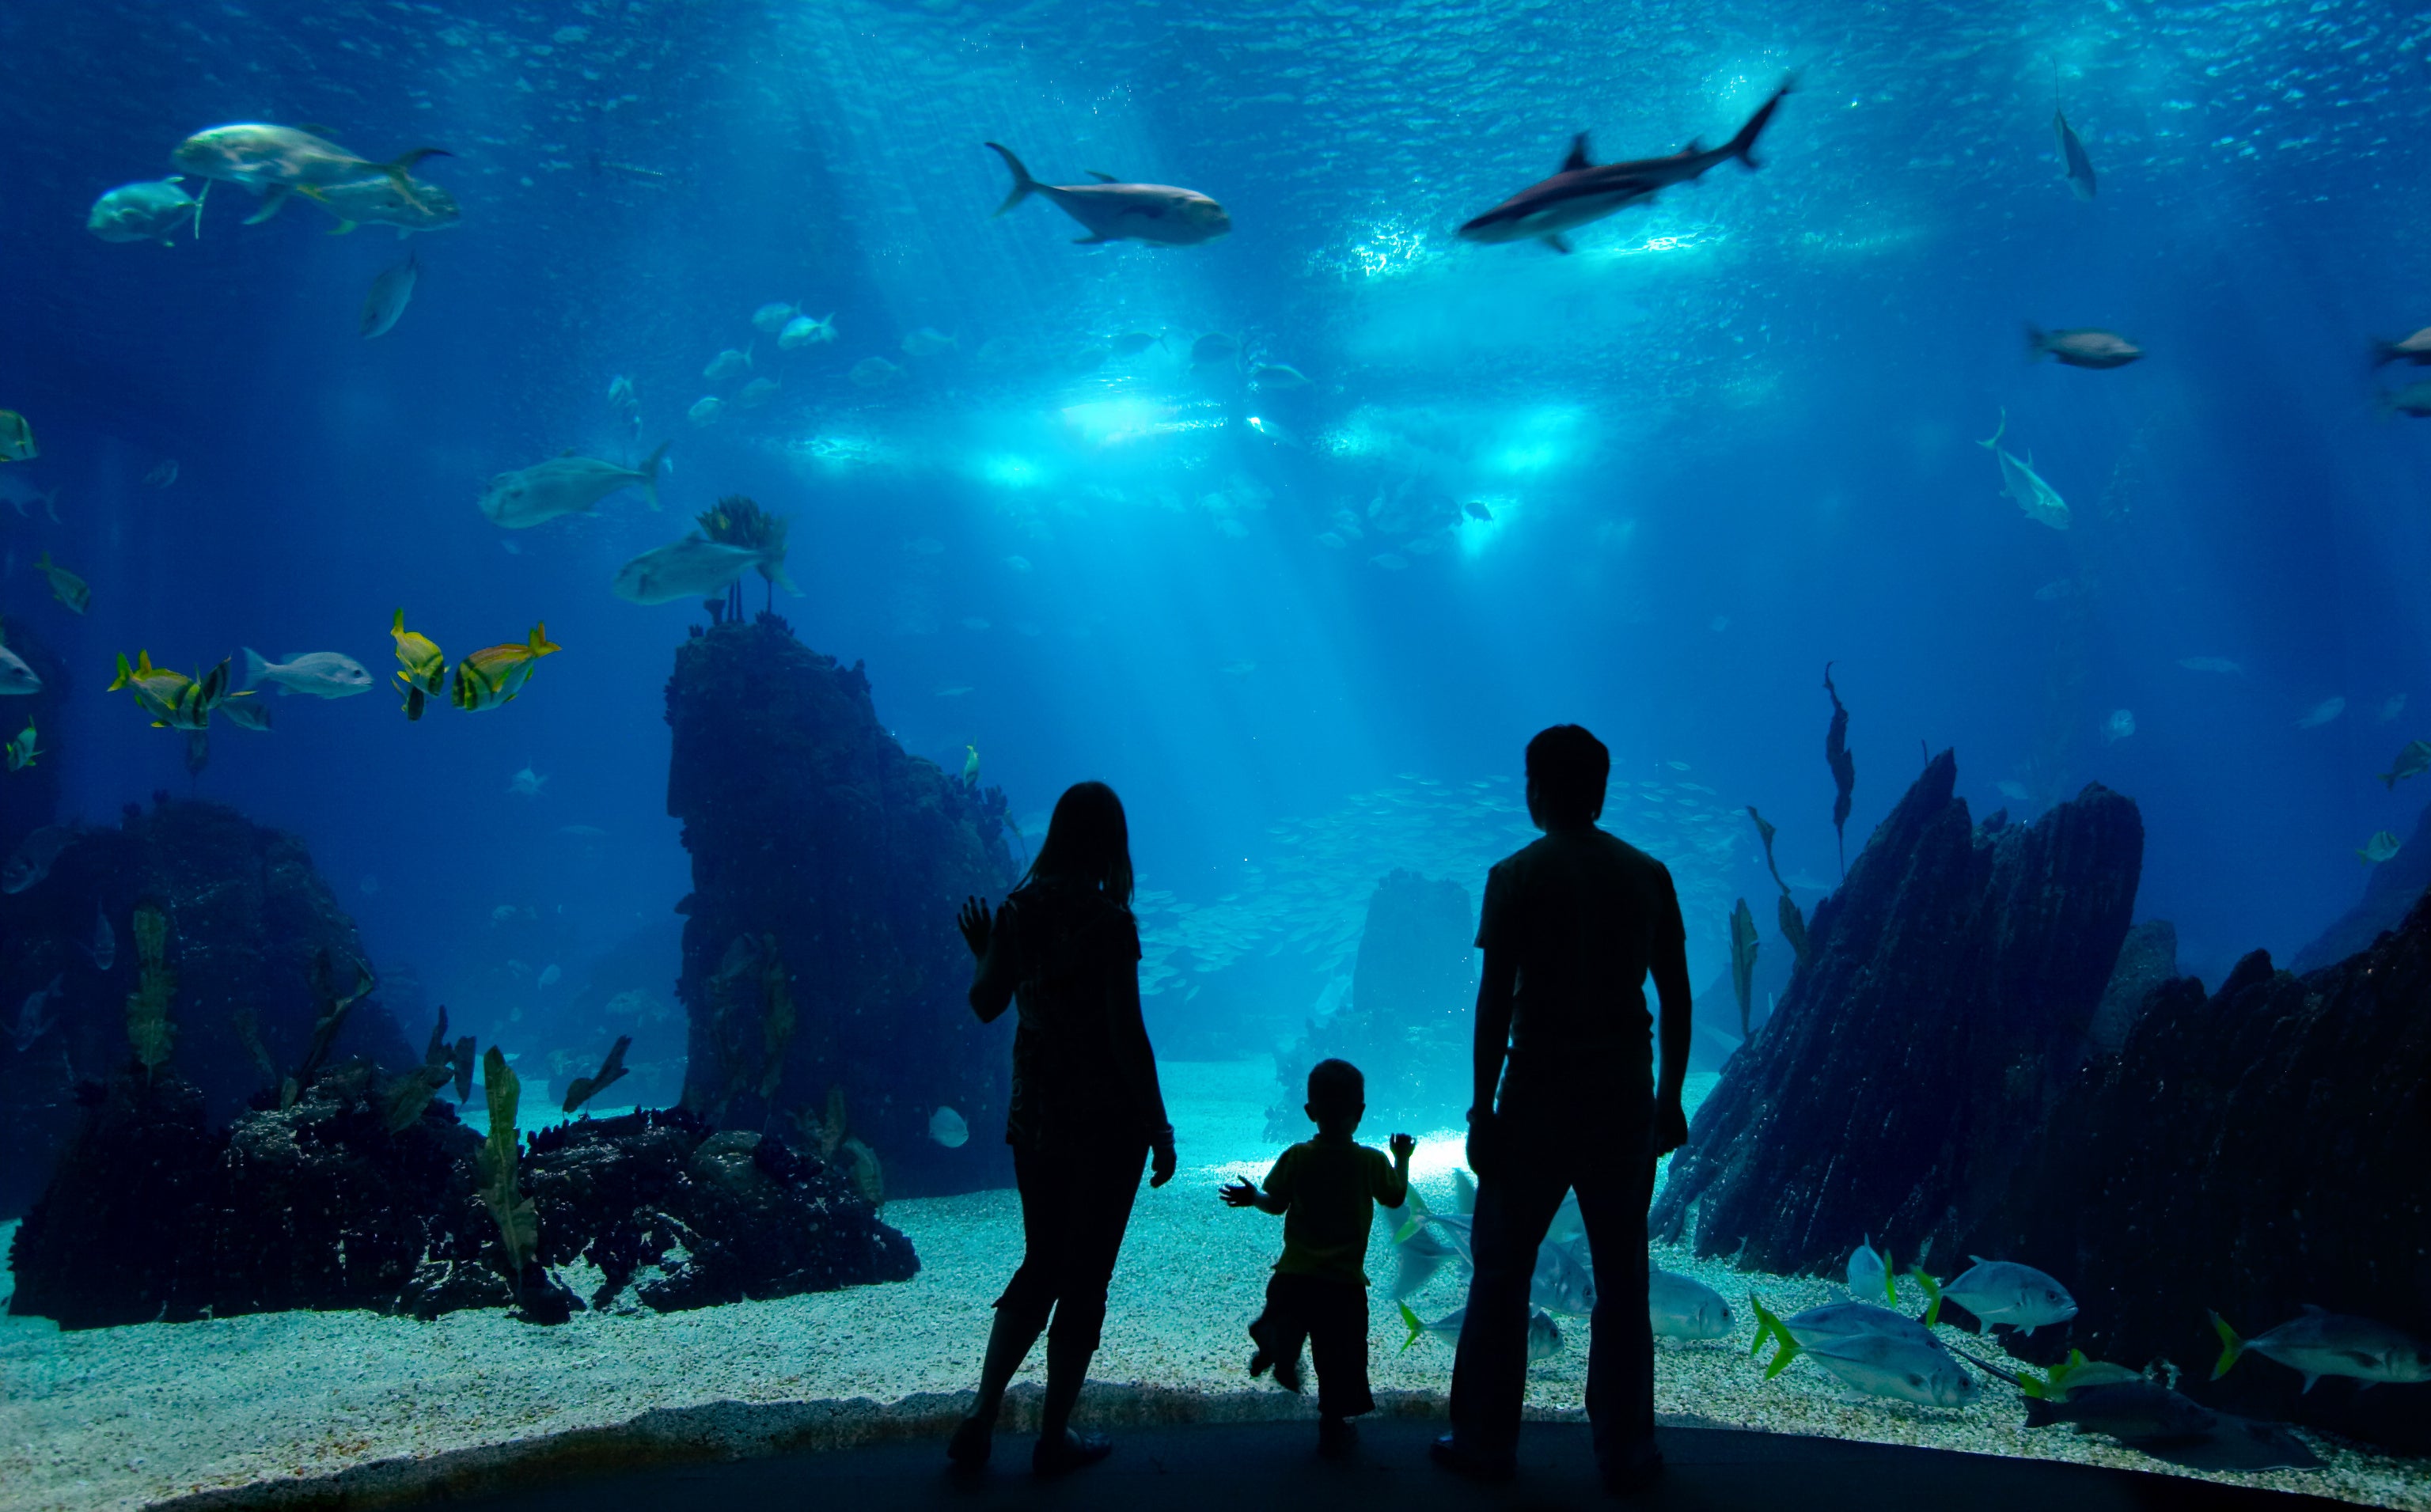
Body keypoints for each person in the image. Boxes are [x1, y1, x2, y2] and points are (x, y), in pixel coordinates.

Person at [1431, 725, 1693, 1493]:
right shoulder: (1648, 875)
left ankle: (1483, 1440)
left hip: (1537, 1095)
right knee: (1623, 1280)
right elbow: (1673, 997)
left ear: (1537, 790)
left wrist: (1482, 1108)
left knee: (1502, 1275)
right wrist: (1670, 1097)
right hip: (1621, 1099)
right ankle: (1627, 1450)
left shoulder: (1515, 874)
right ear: (1602, 790)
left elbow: (1492, 1003)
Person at [946, 780, 1178, 1476]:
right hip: (1105, 1126)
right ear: (1110, 841)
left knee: (1041, 1259)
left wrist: (988, 949)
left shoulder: (1019, 910)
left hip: (1037, 1118)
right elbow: (1126, 1034)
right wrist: (1159, 1125)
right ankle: (1053, 1435)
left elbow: (987, 1003)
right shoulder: (1109, 921)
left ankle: (982, 1413)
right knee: (1086, 1279)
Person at [1221, 1058, 1415, 1457]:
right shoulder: (1370, 1161)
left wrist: (1252, 1196)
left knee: (1292, 1320)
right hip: (1342, 1283)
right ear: (1360, 1113)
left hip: (1293, 1276)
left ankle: (1276, 1343)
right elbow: (1395, 1197)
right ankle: (1332, 1427)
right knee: (1338, 1357)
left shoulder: (1297, 1156)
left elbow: (1275, 1204)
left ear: (1310, 1112)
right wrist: (1403, 1157)